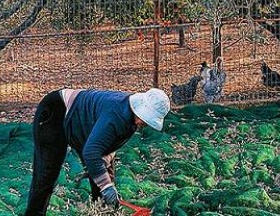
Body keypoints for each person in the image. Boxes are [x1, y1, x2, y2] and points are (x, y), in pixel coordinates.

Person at [25, 88, 171, 215]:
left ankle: (101, 212)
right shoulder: (116, 115)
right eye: (145, 117)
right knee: (46, 176)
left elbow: (108, 144)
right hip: (56, 112)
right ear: (141, 107)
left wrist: (105, 175)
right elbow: (91, 152)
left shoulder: (132, 118)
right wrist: (106, 186)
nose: (144, 123)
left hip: (84, 127)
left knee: (102, 175)